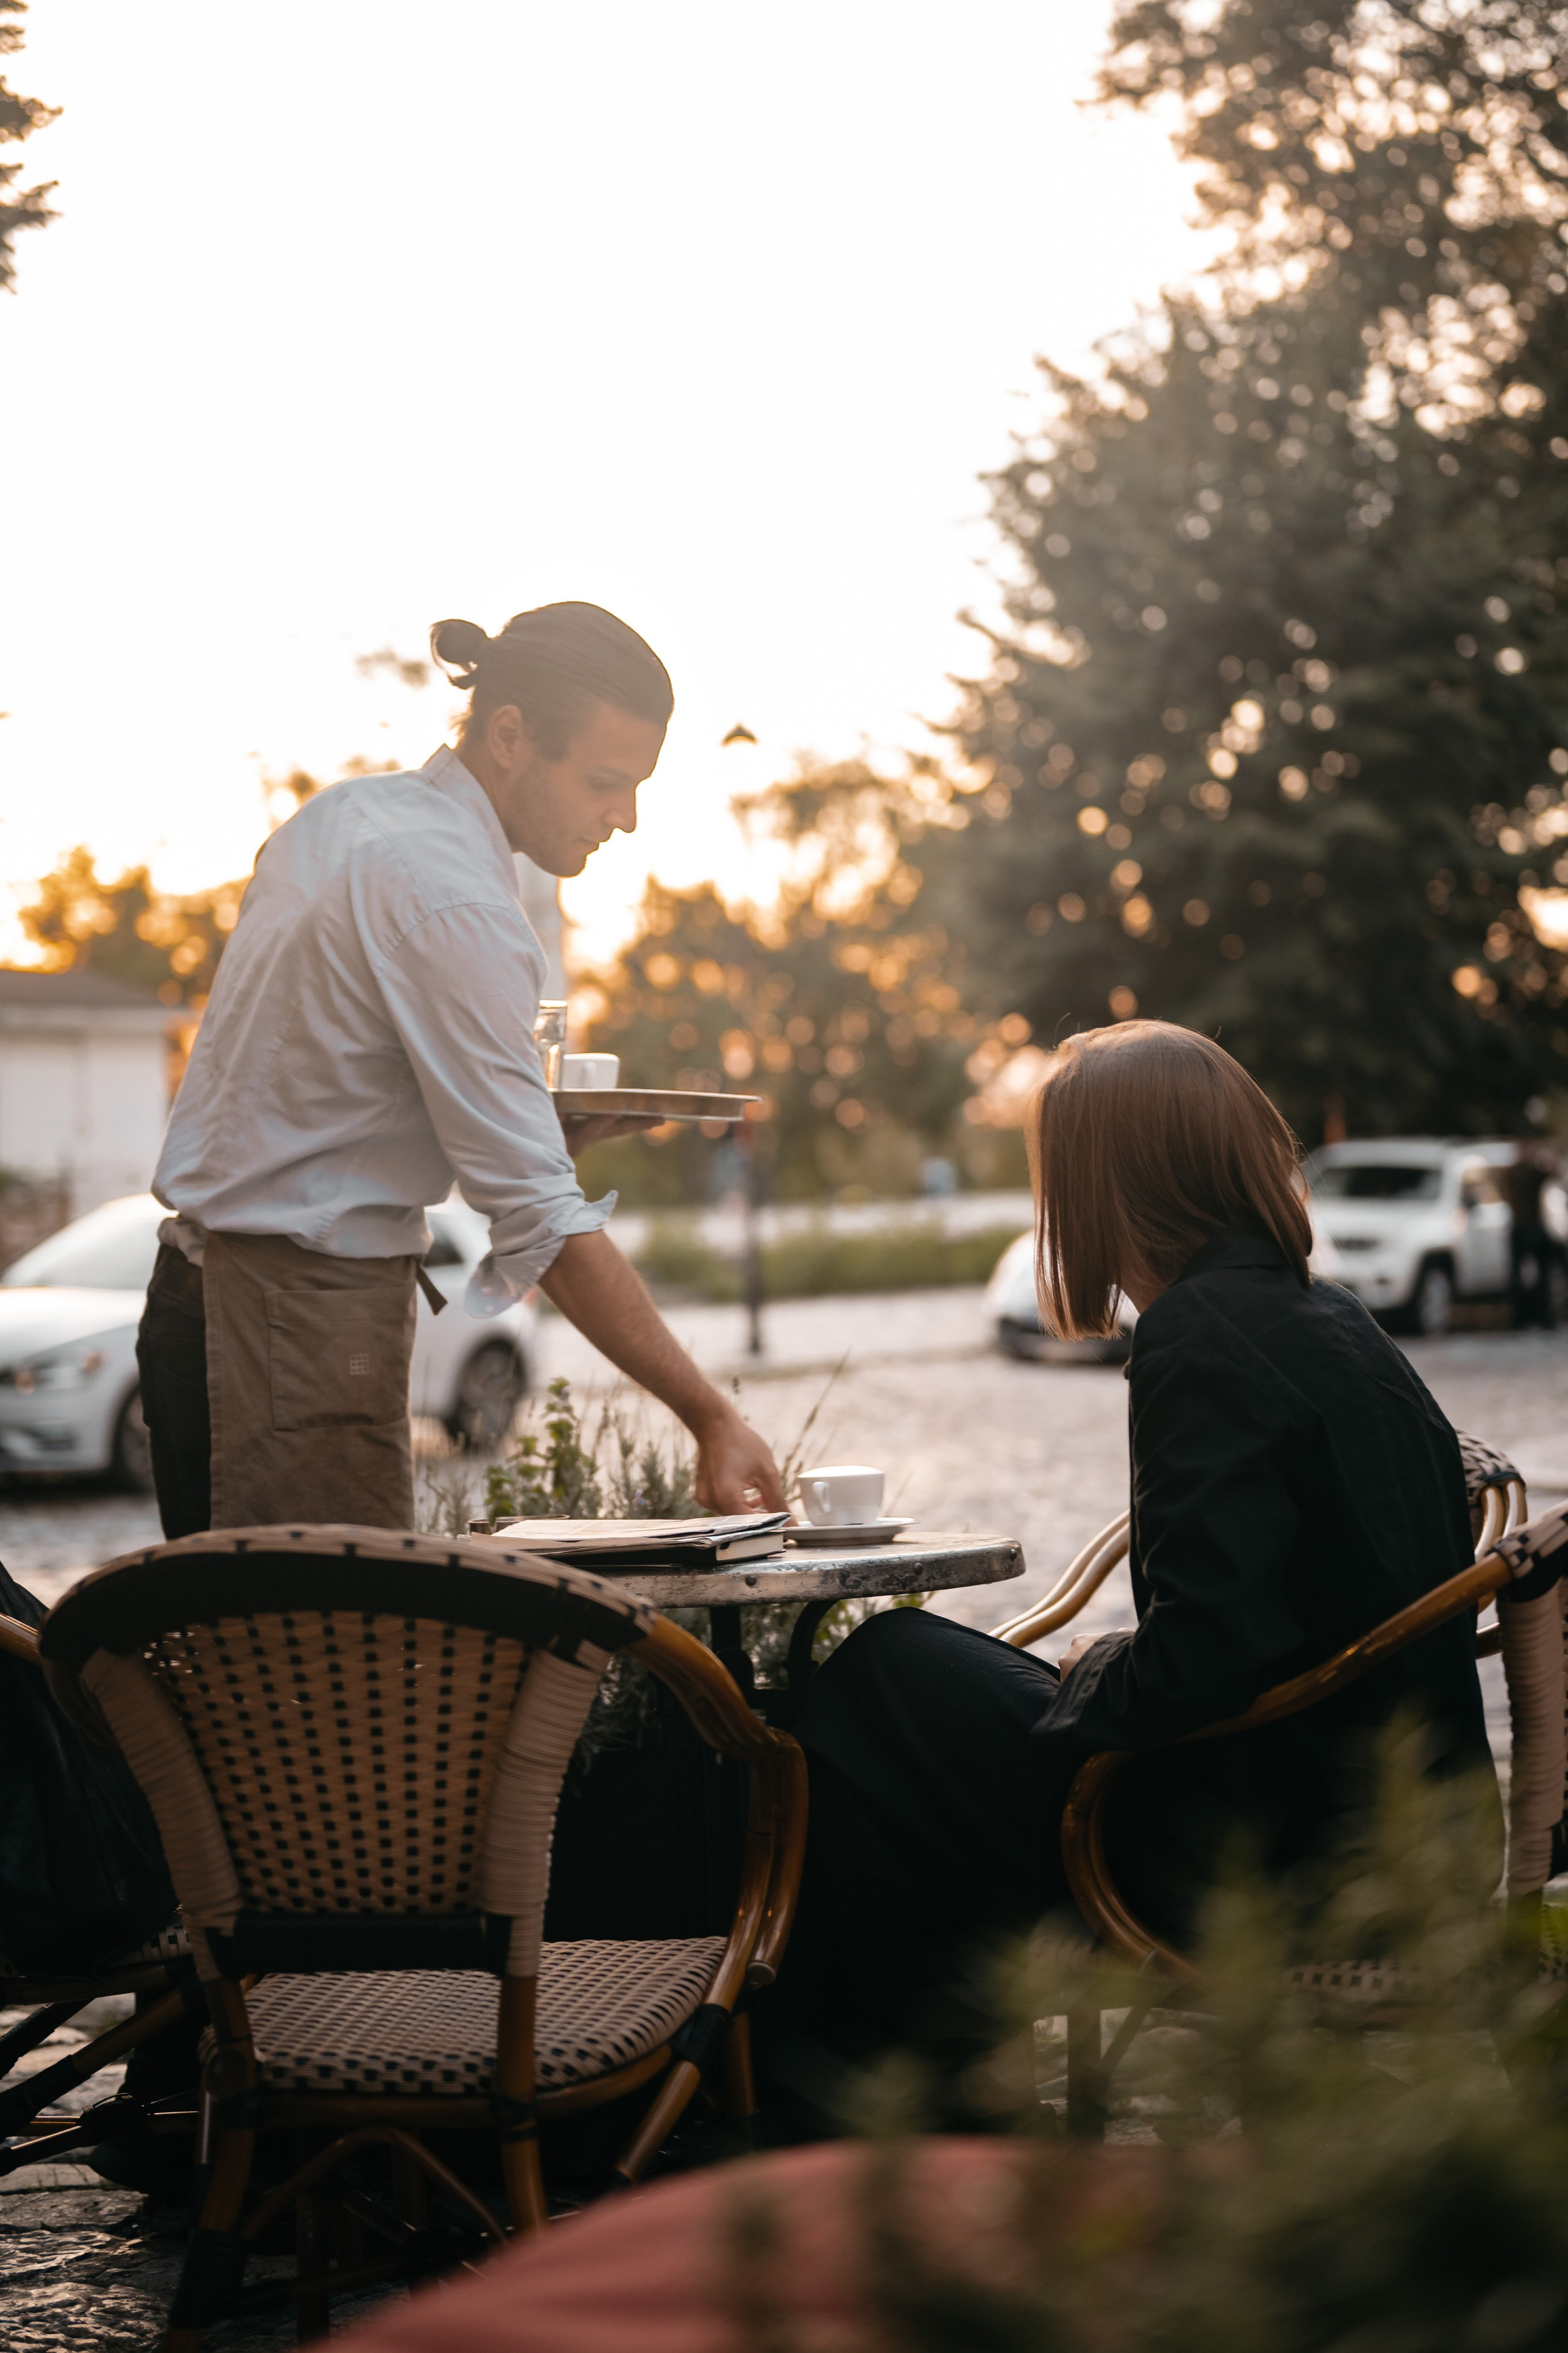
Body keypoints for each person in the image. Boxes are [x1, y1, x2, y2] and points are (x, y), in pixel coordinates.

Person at [758, 1022, 1499, 2101]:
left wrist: (1090, 1671)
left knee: (878, 1673)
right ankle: (905, 2089)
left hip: (1266, 1845)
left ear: (1104, 1185)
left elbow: (1210, 1652)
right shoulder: (1325, 1315)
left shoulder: (1199, 1334)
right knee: (903, 1689)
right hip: (1376, 1816)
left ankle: (848, 2094)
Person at [138, 603, 783, 1535]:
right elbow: (542, 1222)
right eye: (607, 782)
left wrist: (532, 1123)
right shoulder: (457, 903)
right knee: (324, 1675)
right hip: (291, 1324)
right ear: (511, 733)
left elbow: (331, 1085)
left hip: (200, 1303)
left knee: (239, 1672)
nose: (628, 818)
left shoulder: (343, 820)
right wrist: (713, 1415)